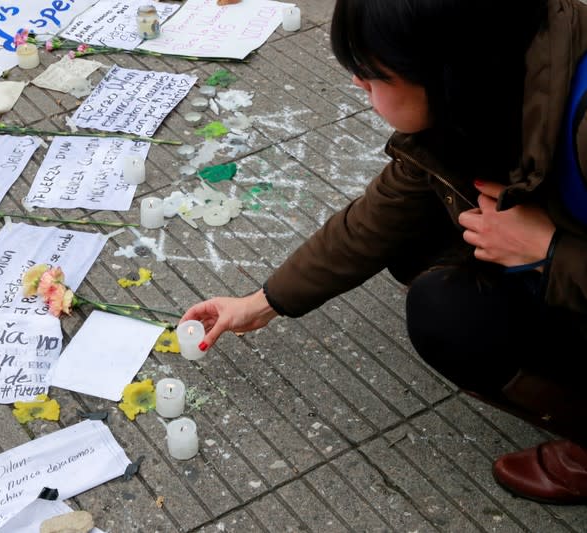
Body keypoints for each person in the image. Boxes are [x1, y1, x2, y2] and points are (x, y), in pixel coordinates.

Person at [181, 0, 587, 505]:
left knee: (449, 313)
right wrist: (263, 301)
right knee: (416, 240)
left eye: (373, 77)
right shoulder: (493, 76)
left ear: (446, 73)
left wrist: (550, 251)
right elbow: (383, 214)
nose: (358, 86)